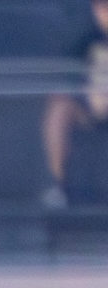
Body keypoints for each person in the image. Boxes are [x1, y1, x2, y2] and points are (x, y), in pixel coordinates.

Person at [40, 0, 108, 209]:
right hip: (91, 108)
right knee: (59, 108)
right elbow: (64, 76)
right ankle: (59, 186)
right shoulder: (85, 40)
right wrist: (86, 95)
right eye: (102, 8)